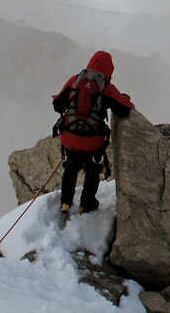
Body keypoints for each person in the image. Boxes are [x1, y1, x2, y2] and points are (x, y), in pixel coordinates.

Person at [52, 50, 133, 218]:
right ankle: (86, 204)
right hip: (93, 140)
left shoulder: (75, 81)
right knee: (93, 169)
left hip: (70, 137)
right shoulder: (107, 88)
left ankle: (66, 202)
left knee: (71, 166)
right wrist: (125, 98)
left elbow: (58, 106)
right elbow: (123, 109)